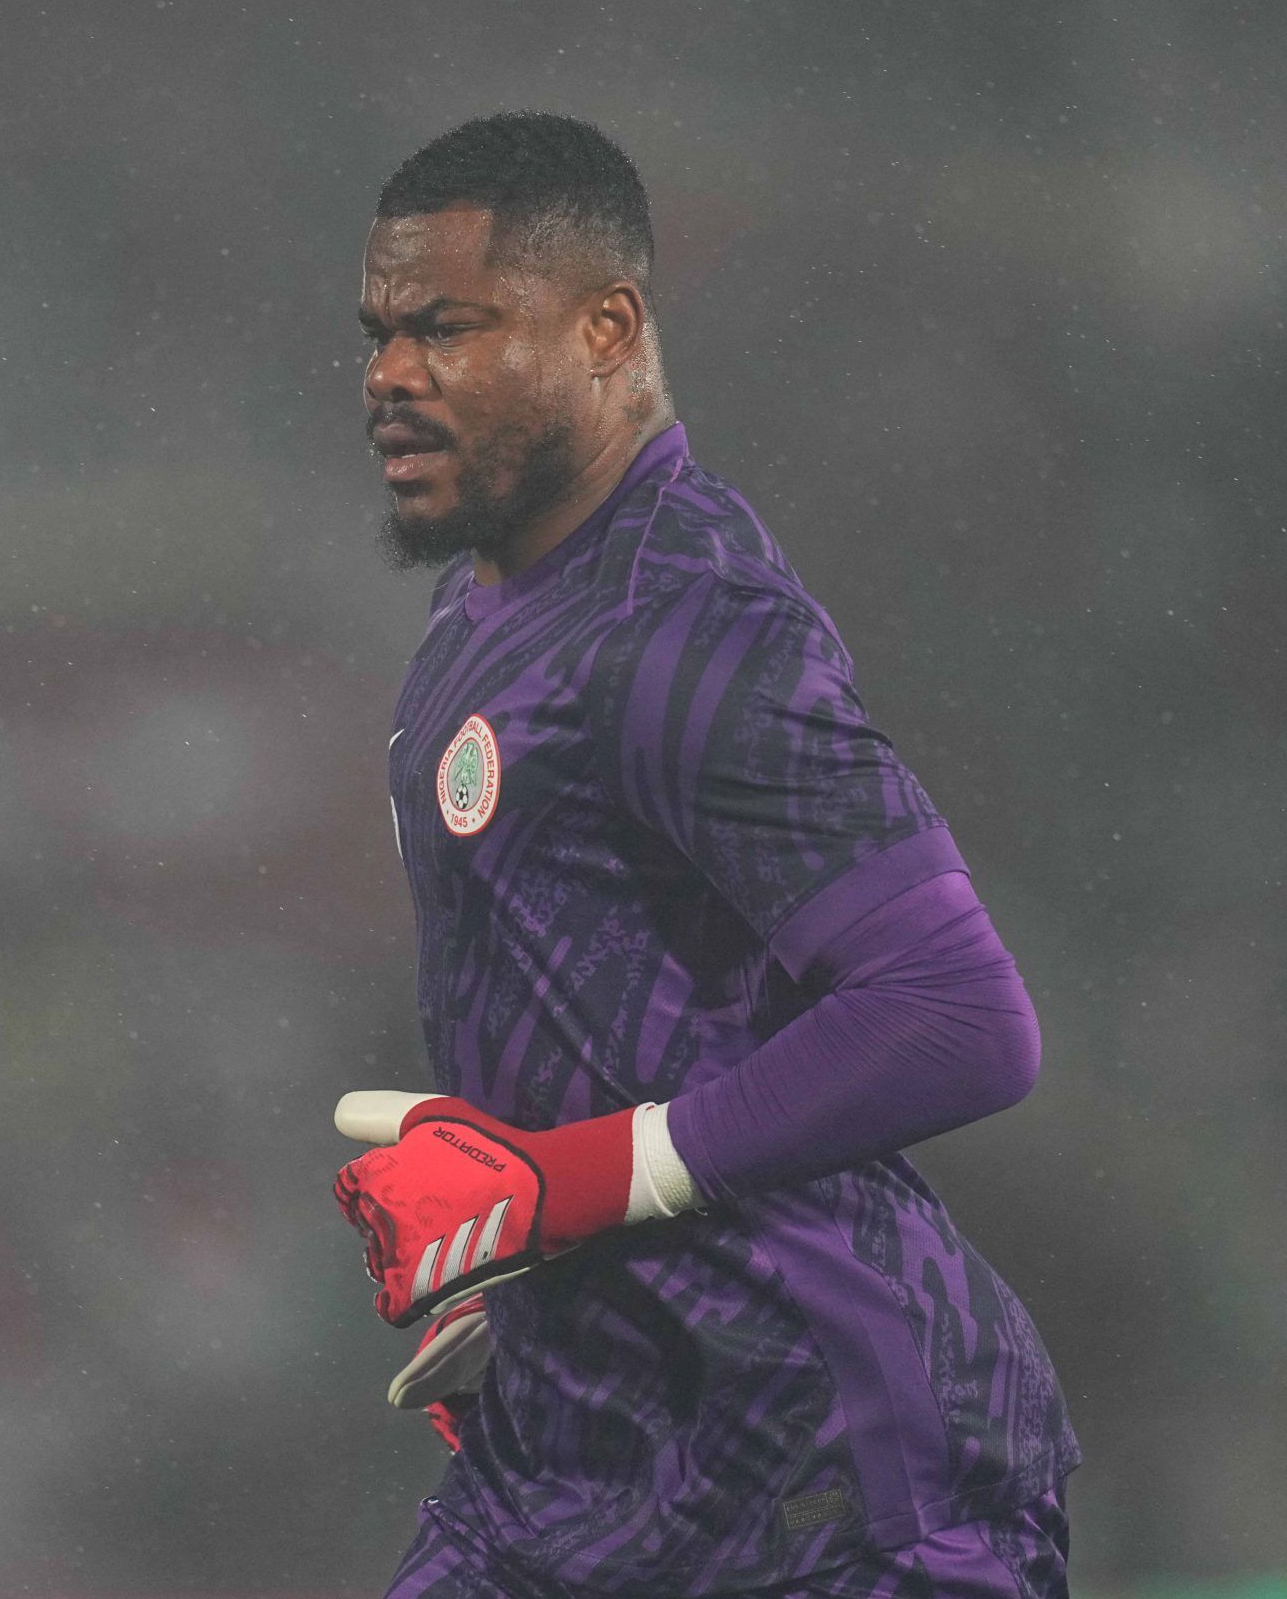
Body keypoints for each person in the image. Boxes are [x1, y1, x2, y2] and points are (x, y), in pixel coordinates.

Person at [334, 112, 1078, 1599]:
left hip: (832, 1479)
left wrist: (561, 1188)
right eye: (378, 334)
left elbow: (960, 1019)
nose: (389, 377)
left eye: (448, 329)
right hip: (586, 1462)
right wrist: (550, 1295)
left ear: (608, 329)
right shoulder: (486, 607)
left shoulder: (690, 623)